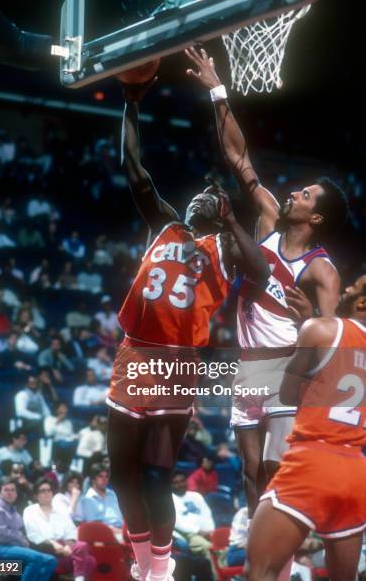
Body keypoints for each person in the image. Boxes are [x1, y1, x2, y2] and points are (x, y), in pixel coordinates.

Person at [107, 82, 269, 581]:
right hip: (133, 354)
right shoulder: (167, 225)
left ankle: (161, 567)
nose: (201, 196)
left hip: (177, 361)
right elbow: (135, 172)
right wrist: (131, 105)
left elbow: (261, 273)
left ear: (220, 217)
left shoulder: (225, 249)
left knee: (156, 479)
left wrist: (231, 217)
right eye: (199, 193)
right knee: (121, 478)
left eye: (211, 196)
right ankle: (145, 565)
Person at [185, 46, 349, 517]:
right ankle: (264, 560)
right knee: (246, 473)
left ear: (315, 216)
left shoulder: (322, 269)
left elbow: (332, 337)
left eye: (306, 194)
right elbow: (238, 156)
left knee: (271, 473)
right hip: (247, 367)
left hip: (284, 371)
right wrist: (217, 89)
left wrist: (308, 321)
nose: (295, 191)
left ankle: (282, 558)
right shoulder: (269, 217)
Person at [246, 273, 366, 581]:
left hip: (313, 459)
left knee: (260, 571)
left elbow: (287, 394)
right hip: (356, 469)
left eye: (353, 286)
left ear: (362, 301)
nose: (346, 288)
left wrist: (305, 325)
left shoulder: (320, 329)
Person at [0, 477, 57, 581]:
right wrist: (21, 540)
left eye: (13, 490)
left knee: (51, 560)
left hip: (12, 546)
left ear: (16, 493)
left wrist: (22, 539)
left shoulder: (12, 509)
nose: (10, 493)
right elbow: (2, 535)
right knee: (35, 558)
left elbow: (19, 528)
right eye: (6, 490)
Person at [23, 478, 95, 581]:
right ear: (36, 495)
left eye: (49, 490)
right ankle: (78, 577)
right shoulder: (30, 511)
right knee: (86, 556)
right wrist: (53, 543)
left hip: (65, 547)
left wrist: (67, 546)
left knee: (89, 560)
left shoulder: (60, 508)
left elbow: (70, 530)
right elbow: (33, 534)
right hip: (44, 547)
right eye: (42, 491)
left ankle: (78, 577)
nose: (46, 493)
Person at [171, 471, 215, 579]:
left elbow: (206, 514)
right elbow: (177, 523)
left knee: (225, 545)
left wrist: (210, 530)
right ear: (171, 485)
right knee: (209, 548)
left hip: (206, 532)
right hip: (188, 535)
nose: (180, 484)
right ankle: (216, 577)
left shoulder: (196, 496)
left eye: (182, 481)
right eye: (175, 482)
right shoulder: (169, 500)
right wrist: (198, 531)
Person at [80, 465, 123, 530]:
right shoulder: (87, 499)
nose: (104, 479)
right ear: (93, 479)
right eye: (100, 476)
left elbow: (123, 516)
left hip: (121, 530)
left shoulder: (113, 494)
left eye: (106, 476)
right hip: (103, 533)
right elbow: (95, 524)